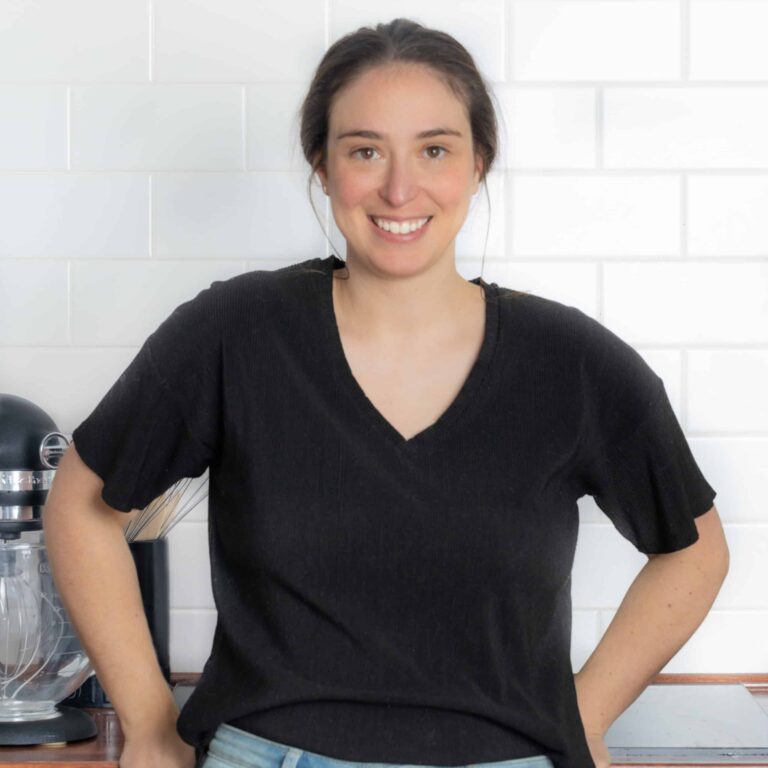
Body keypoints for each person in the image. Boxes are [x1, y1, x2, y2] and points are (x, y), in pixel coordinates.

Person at [42, 17, 729, 768]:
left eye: (435, 149)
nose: (400, 189)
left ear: (478, 164)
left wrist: (583, 717)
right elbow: (82, 507)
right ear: (322, 166)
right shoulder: (236, 335)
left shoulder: (571, 364)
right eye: (365, 151)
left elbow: (694, 554)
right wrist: (148, 725)